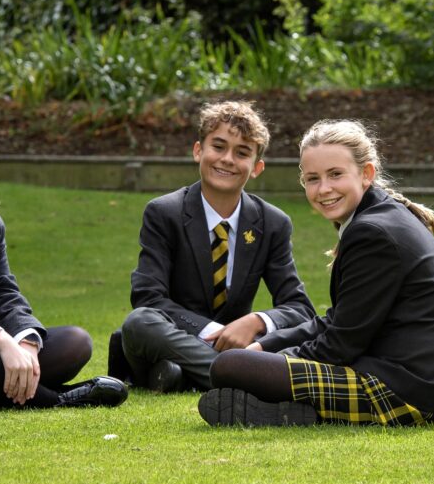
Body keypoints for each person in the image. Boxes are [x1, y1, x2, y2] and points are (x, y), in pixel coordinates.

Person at [198, 119, 434, 427]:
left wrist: (274, 359)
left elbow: (341, 344)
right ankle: (287, 412)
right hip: (423, 383)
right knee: (244, 363)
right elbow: (340, 319)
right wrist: (266, 345)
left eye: (335, 175)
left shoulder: (373, 231)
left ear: (366, 174)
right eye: (312, 179)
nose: (324, 189)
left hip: (411, 392)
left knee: (231, 366)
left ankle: (287, 410)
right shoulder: (377, 216)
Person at [0, 94, 127, 411]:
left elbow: (3, 291)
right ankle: (55, 399)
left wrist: (25, 342)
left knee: (76, 342)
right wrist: (1, 341)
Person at [118, 100, 314, 392]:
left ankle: (184, 375)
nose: (227, 159)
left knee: (301, 334)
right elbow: (148, 297)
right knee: (139, 322)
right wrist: (212, 332)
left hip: (234, 344)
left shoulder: (273, 223)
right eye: (218, 146)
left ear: (257, 167)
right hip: (172, 335)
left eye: (242, 153)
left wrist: (255, 321)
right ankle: (244, 378)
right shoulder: (164, 212)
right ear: (198, 151)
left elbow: (300, 309)